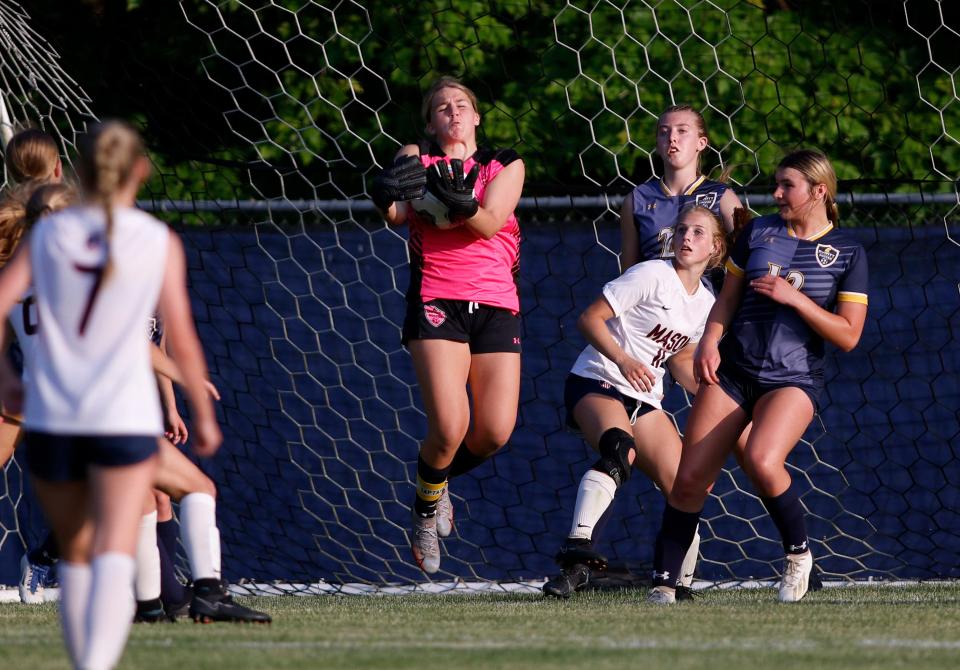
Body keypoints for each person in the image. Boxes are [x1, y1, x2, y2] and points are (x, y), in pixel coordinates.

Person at [0, 120, 220, 669]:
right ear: (141, 171)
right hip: (118, 414)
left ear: (75, 169)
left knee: (77, 557)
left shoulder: (46, 238)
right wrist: (195, 400)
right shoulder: (153, 239)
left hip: (50, 413)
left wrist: (6, 379)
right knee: (120, 542)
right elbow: (177, 336)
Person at [648, 149, 869, 604]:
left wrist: (797, 300)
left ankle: (798, 555)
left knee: (765, 461)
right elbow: (726, 300)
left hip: (793, 378)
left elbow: (848, 336)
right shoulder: (758, 231)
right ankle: (665, 584)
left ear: (818, 191)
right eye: (777, 183)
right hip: (734, 371)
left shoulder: (847, 250)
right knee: (689, 479)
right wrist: (710, 340)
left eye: (788, 185)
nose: (776, 193)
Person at [370, 76, 525, 574]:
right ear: (431, 121)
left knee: (495, 432)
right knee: (451, 427)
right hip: (437, 297)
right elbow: (395, 212)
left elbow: (491, 221)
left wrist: (462, 204)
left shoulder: (504, 163)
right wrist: (381, 192)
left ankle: (432, 489)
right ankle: (424, 512)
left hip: (498, 302)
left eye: (461, 105)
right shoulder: (417, 154)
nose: (453, 113)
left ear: (477, 116)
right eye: (442, 108)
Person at [542, 206, 726, 599]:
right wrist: (625, 361)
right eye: (681, 230)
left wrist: (719, 398)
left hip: (645, 398)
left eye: (698, 232)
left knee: (686, 485)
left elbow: (679, 359)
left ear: (716, 247)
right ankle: (577, 551)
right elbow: (589, 319)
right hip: (599, 381)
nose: (687, 237)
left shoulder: (706, 304)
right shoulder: (651, 274)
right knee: (618, 450)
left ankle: (678, 582)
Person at [619, 105, 742, 275]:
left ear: (701, 143)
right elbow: (627, 275)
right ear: (657, 144)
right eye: (664, 132)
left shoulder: (724, 197)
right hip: (653, 300)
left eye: (682, 131)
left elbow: (749, 255)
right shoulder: (636, 200)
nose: (672, 138)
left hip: (709, 300)